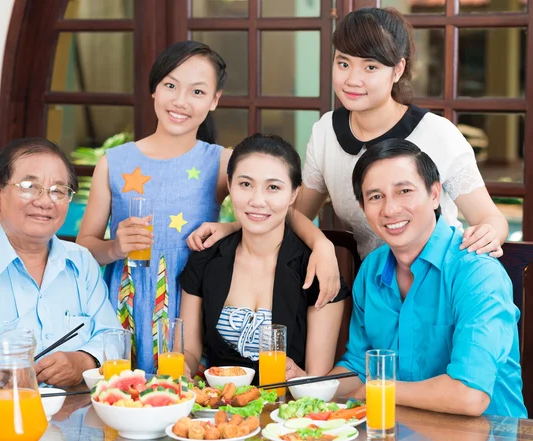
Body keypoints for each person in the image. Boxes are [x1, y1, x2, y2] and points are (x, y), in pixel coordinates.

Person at [76, 41, 341, 373]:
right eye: (170, 85)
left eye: (198, 92)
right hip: (128, 304)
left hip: (195, 306)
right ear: (154, 90)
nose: (181, 101)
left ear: (214, 100)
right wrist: (115, 247)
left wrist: (322, 244)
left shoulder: (220, 162)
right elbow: (84, 249)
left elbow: (272, 211)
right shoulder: (114, 162)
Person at [187, 7, 508, 262]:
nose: (352, 79)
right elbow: (295, 215)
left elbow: (491, 219)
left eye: (370, 67)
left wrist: (489, 234)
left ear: (397, 70)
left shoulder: (436, 134)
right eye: (343, 63)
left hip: (439, 284)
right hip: (372, 290)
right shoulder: (326, 131)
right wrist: (234, 227)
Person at [325, 138, 526, 418]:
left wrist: (377, 390)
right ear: (362, 207)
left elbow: (470, 395)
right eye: (375, 197)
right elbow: (360, 366)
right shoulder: (372, 268)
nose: (390, 209)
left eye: (404, 191)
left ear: (434, 194)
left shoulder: (477, 272)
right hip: (400, 428)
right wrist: (308, 389)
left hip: (489, 431)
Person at [0, 138, 121, 418]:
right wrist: (4, 381)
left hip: (75, 422)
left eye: (59, 190)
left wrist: (84, 360)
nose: (45, 201)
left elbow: (113, 337)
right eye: (30, 187)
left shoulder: (81, 261)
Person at [179, 134, 350, 380]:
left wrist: (298, 375)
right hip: (217, 408)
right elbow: (188, 350)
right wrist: (182, 368)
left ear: (293, 195)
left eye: (273, 187)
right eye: (245, 184)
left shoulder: (317, 270)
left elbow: (316, 381)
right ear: (229, 185)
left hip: (285, 409)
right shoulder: (206, 258)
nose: (257, 201)